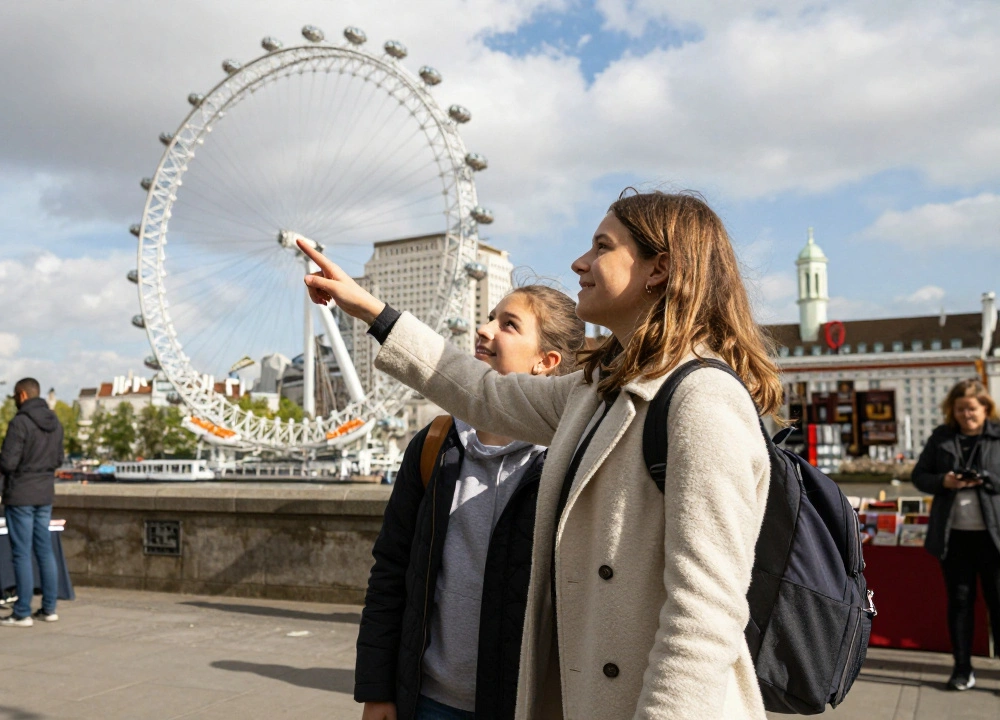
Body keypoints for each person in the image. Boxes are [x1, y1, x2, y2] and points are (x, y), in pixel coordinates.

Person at [304, 189, 781, 719]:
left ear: (659, 269)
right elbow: (480, 391)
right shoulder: (597, 390)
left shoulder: (703, 402)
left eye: (602, 246)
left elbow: (705, 615)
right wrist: (370, 309)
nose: (580, 263)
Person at [356, 285, 584, 720]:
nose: (483, 330)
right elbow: (391, 570)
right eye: (489, 317)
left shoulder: (568, 462)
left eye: (508, 325)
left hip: (527, 705)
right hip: (427, 700)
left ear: (547, 362)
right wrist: (377, 687)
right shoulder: (434, 445)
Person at [911, 379, 1000, 691]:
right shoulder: (942, 437)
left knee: (998, 602)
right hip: (954, 537)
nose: (966, 415)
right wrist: (943, 481)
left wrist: (988, 479)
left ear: (985, 408)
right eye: (960, 409)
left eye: (972, 409)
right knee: (960, 602)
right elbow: (919, 476)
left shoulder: (997, 435)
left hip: (994, 538)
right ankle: (962, 669)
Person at [0, 377, 64, 627]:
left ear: (22, 395)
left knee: (21, 553)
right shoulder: (55, 422)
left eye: (14, 395)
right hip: (44, 493)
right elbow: (58, 459)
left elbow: (8, 463)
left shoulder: (20, 423)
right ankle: (49, 608)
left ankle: (22, 611)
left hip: (21, 493)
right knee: (45, 551)